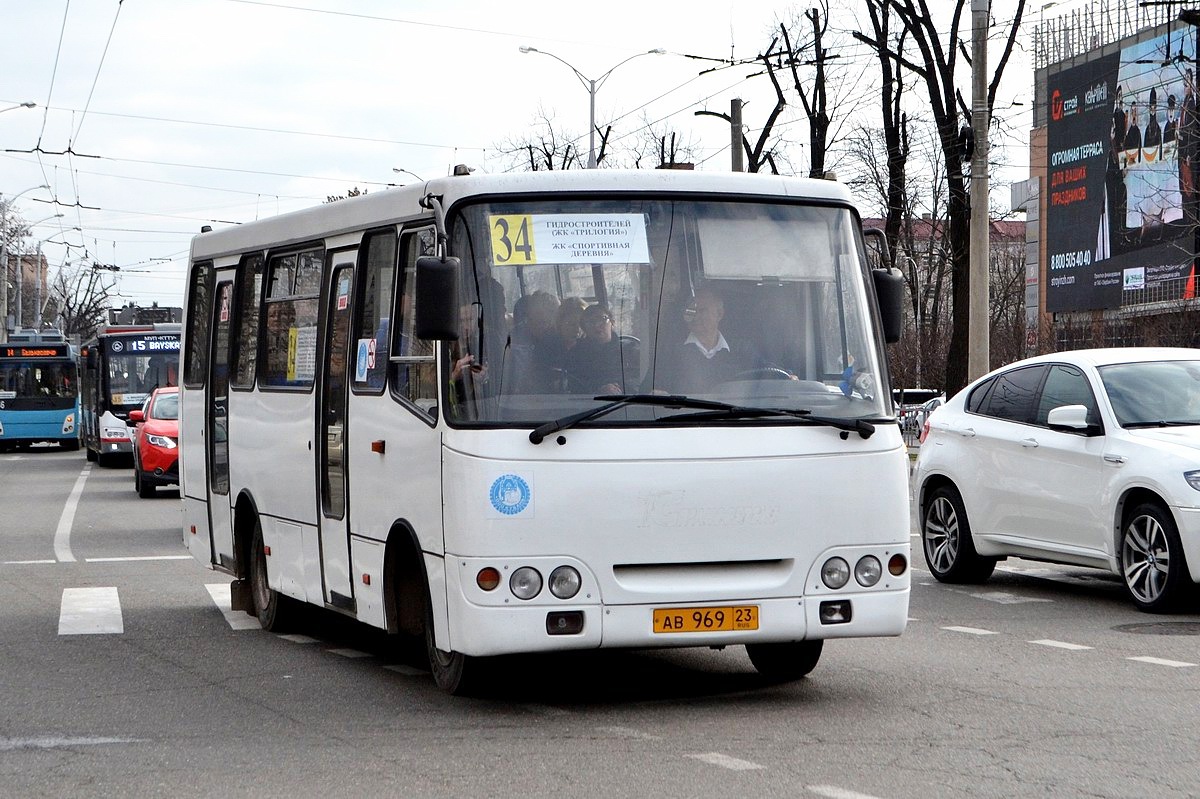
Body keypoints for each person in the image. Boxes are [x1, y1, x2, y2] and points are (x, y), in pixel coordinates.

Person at [657, 286, 741, 393]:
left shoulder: (741, 351)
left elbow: (763, 378)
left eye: (702, 311)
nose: (695, 317)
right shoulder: (670, 352)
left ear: (719, 314)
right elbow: (648, 390)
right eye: (691, 311)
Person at [564, 302, 630, 395]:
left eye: (602, 319)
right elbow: (574, 385)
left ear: (612, 322)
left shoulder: (628, 350)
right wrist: (598, 390)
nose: (596, 325)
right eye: (590, 322)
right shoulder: (575, 354)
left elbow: (637, 381)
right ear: (584, 328)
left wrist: (618, 389)